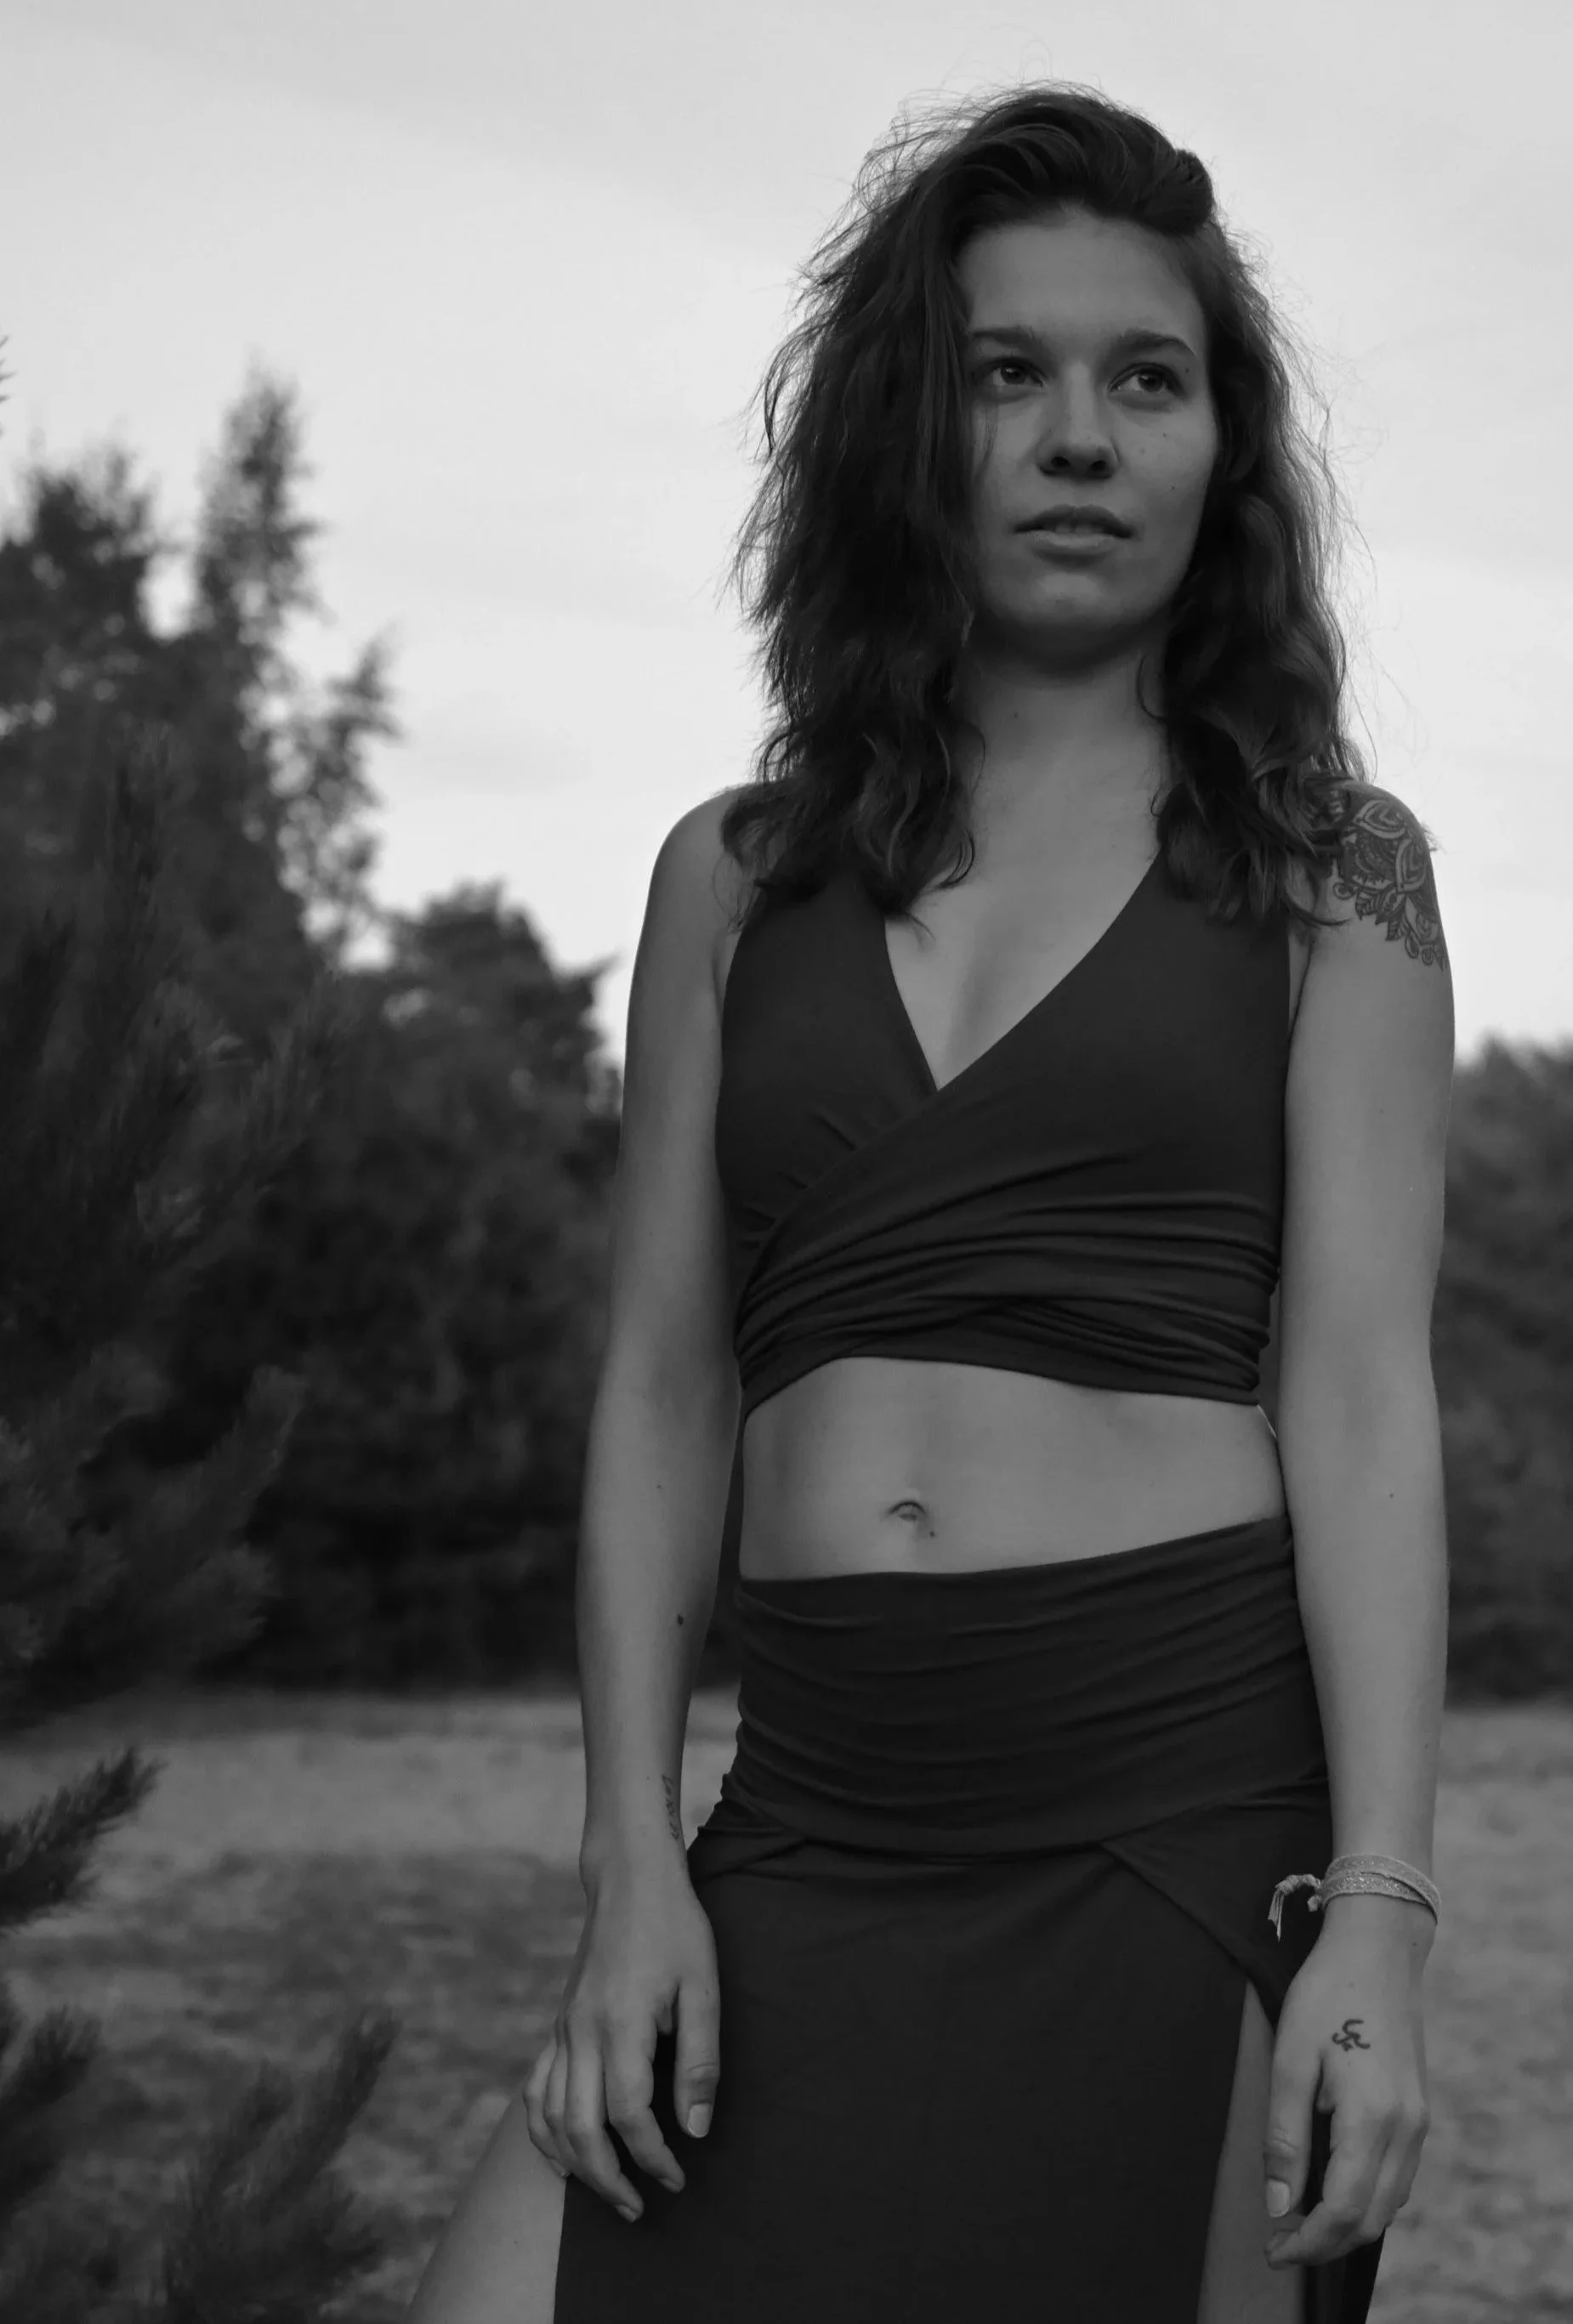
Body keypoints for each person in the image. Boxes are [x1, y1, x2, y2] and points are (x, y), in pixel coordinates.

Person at [406, 82, 1452, 2324]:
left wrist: (1377, 1909)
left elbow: (1365, 1393)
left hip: (1176, 1817)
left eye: (1147, 380)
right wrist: (630, 1867)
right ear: (913, 427)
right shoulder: (729, 878)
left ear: (1222, 451)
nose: (1080, 437)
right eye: (1009, 374)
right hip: (811, 1813)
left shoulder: (1332, 870)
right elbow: (662, 1389)